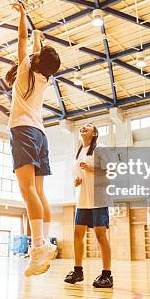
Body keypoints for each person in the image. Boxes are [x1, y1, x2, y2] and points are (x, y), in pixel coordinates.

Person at [6, 3, 61, 277]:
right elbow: (36, 50)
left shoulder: (25, 72)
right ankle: (46, 242)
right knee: (39, 192)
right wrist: (39, 35)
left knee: (27, 192)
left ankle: (38, 246)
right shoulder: (43, 78)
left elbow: (21, 41)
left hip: (24, 132)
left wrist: (23, 17)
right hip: (40, 134)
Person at [64, 123, 113, 288]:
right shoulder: (78, 153)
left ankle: (107, 275)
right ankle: (78, 271)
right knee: (77, 234)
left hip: (98, 197)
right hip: (82, 200)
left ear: (94, 133)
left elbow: (110, 170)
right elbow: (77, 176)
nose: (84, 127)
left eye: (89, 126)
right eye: (83, 126)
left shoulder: (100, 148)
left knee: (100, 236)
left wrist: (93, 168)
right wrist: (76, 181)